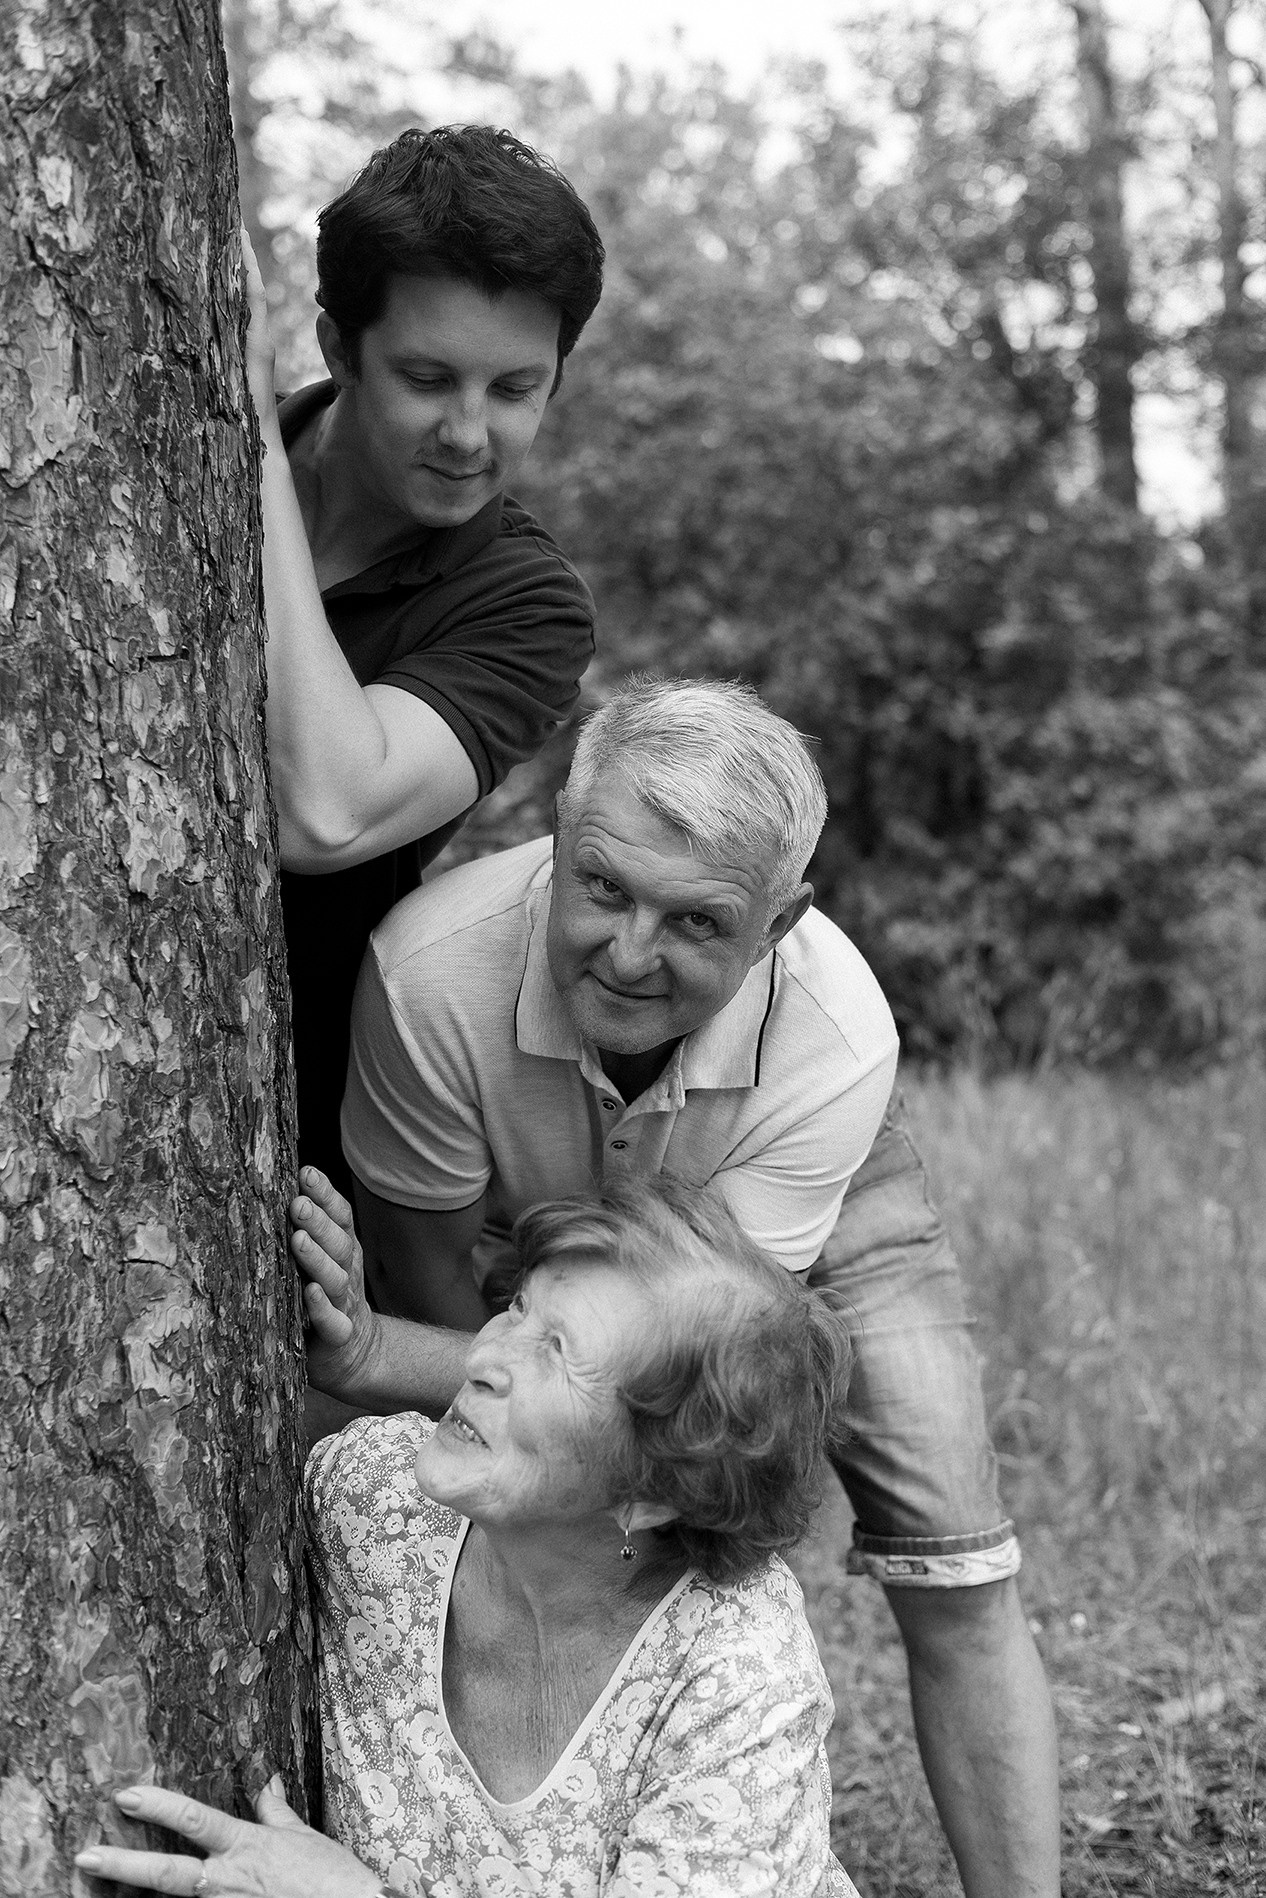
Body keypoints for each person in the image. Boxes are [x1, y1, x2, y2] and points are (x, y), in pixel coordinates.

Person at [317, 676, 1062, 1898]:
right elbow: (447, 1310)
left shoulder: (838, 1033)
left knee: (954, 1545)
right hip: (531, 1225)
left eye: (697, 921)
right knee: (503, 1468)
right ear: (555, 830)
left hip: (760, 1225)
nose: (628, 952)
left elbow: (698, 1384)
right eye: (602, 886)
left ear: (779, 923)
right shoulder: (427, 976)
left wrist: (370, 1354)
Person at [74, 1179, 862, 1897]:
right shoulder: (373, 1507)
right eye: (519, 1310)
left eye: (558, 1355)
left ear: (657, 1491)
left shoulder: (737, 1678)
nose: (482, 1358)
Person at [243, 125, 604, 1199]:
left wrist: (242, 441)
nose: (467, 432)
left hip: (271, 1129)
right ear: (336, 345)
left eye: (513, 389)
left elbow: (325, 813)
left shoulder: (528, 606)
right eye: (427, 376)